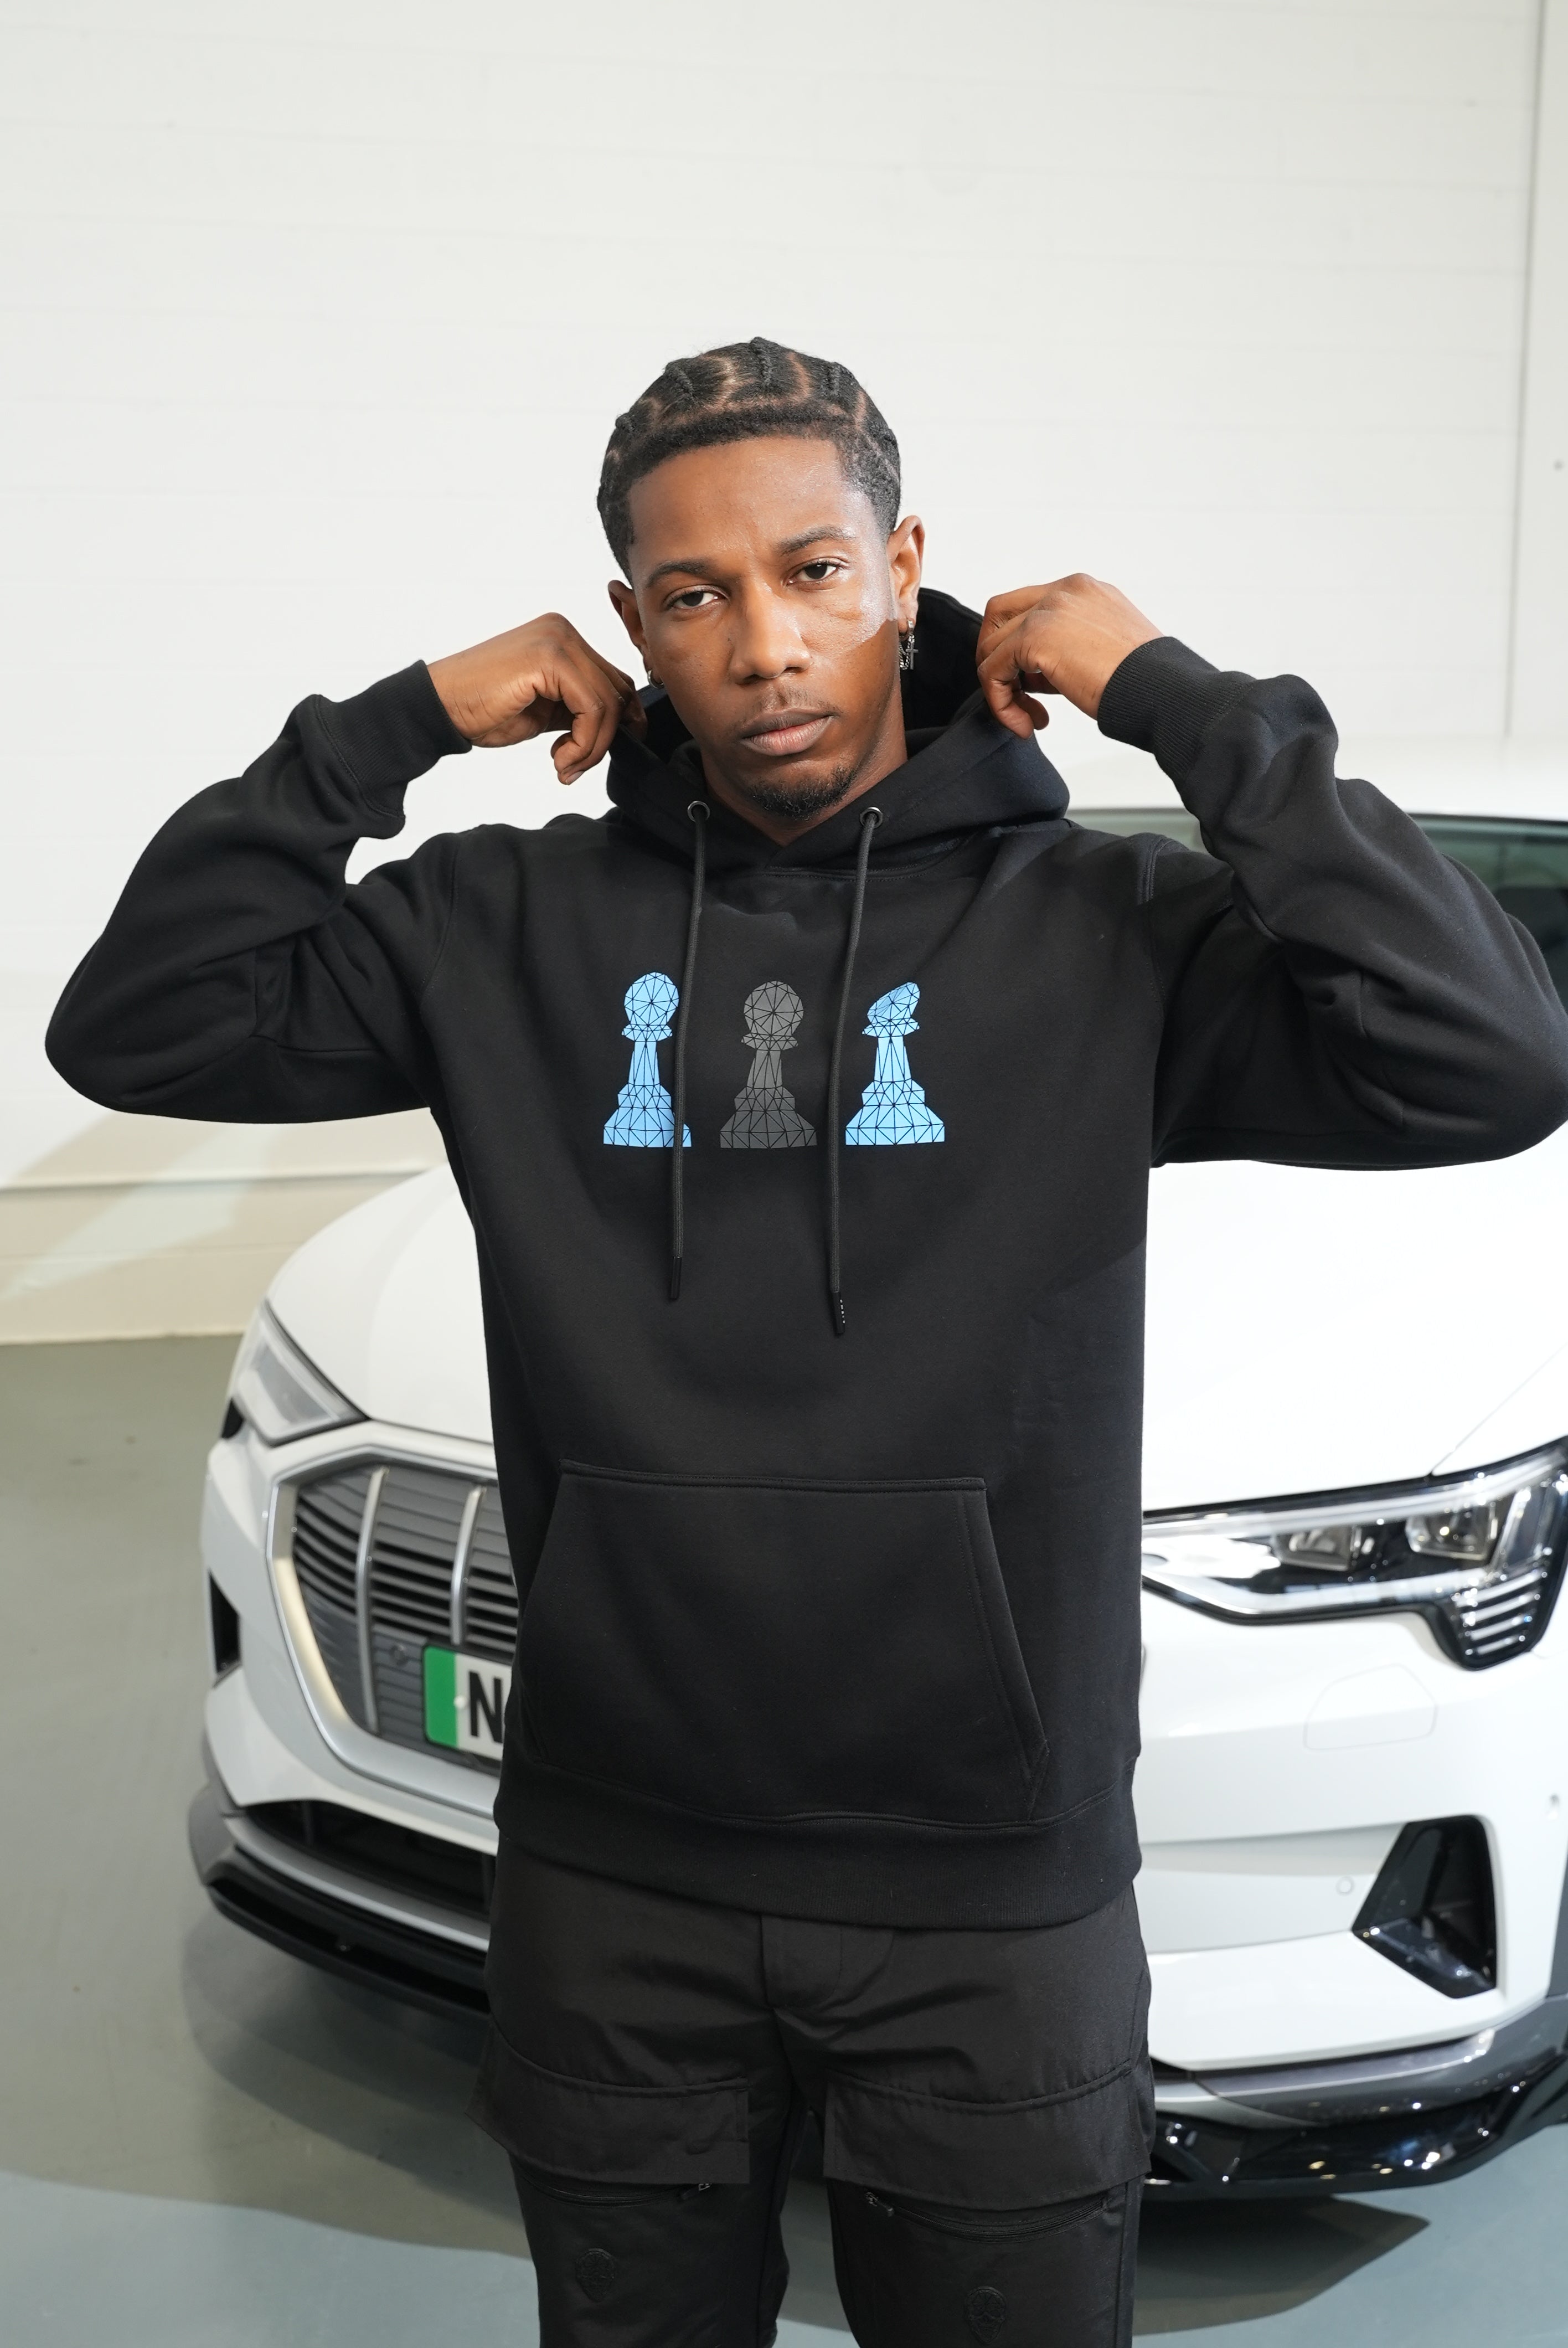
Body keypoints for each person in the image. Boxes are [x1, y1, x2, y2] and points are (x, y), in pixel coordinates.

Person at [47, 338, 1568, 2347]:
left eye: (814, 574)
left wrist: (1176, 696)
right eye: (695, 594)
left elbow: (1489, 1056)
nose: (764, 644)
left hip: (989, 1899)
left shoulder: (1107, 929)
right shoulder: (498, 927)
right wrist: (393, 725)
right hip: (613, 1878)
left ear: (907, 571)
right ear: (630, 627)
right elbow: (135, 1022)